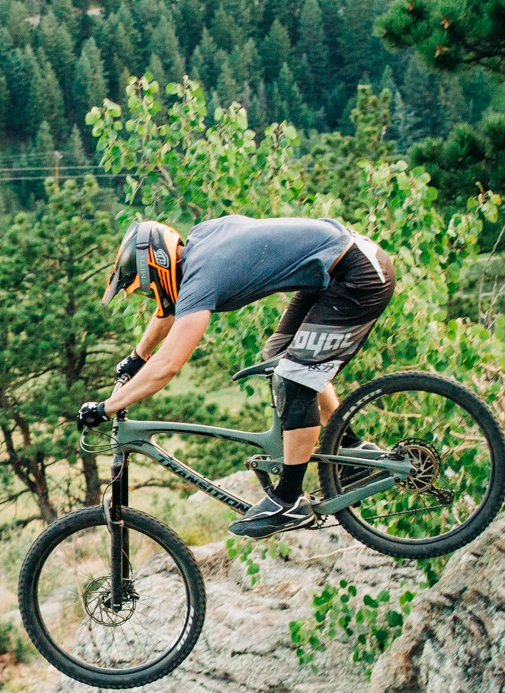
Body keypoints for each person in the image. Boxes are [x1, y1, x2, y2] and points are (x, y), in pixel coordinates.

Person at [79, 215, 396, 538]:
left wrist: (107, 407)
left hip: (359, 275)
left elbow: (169, 364)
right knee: (279, 358)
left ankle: (289, 500)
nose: (152, 296)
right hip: (340, 265)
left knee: (294, 379)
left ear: (157, 267)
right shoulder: (199, 246)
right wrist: (137, 357)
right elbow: (172, 307)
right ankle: (353, 450)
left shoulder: (202, 277)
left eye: (146, 289)